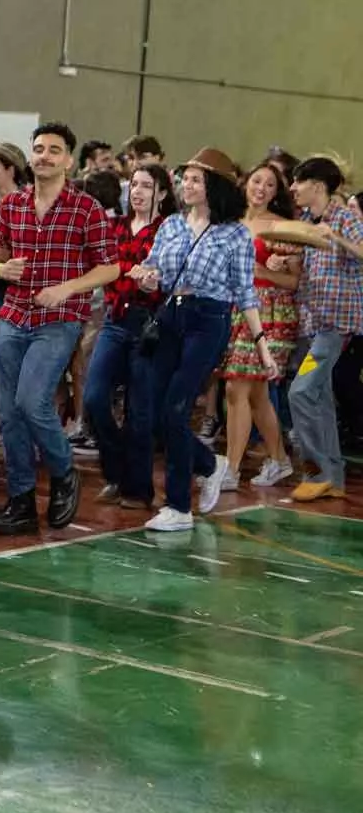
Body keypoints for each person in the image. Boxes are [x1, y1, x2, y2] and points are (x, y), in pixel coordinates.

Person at [0, 123, 119, 536]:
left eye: (54, 150)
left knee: (32, 402)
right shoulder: (12, 205)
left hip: (59, 319)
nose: (44, 156)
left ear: (69, 160)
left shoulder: (86, 208)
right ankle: (21, 499)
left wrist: (67, 288)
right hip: (13, 313)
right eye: (39, 148)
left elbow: (110, 267)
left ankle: (63, 470)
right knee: (7, 413)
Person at [130, 149, 275, 532]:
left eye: (196, 179)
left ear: (214, 186)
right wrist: (146, 278)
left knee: (175, 408)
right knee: (156, 411)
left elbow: (245, 292)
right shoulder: (171, 225)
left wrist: (262, 345)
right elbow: (154, 272)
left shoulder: (235, 233)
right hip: (170, 316)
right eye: (185, 178)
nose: (187, 185)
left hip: (209, 320)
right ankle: (210, 465)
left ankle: (179, 507)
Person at [84, 163, 174, 509]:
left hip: (150, 323)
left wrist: (153, 282)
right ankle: (116, 470)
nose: (137, 191)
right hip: (115, 318)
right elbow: (100, 266)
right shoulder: (115, 226)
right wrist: (125, 272)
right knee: (94, 398)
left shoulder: (169, 229)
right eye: (134, 184)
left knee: (140, 411)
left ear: (161, 193)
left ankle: (138, 489)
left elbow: (170, 276)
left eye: (146, 186)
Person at [217, 163, 298, 492]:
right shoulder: (229, 222)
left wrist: (262, 271)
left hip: (270, 314)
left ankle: (231, 470)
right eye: (256, 181)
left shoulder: (283, 228)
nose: (261, 188)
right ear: (245, 183)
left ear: (277, 192)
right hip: (236, 312)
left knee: (236, 388)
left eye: (270, 184)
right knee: (256, 395)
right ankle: (279, 459)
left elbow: (293, 281)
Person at [286, 156, 363, 501]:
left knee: (300, 392)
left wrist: (337, 238)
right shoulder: (306, 221)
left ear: (317, 186)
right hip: (314, 322)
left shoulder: (345, 218)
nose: (292, 188)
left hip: (336, 323)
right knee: (319, 398)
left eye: (298, 181)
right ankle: (334, 477)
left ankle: (316, 472)